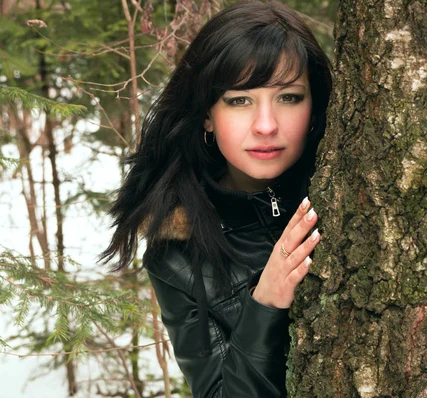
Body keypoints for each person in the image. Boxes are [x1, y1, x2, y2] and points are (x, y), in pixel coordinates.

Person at [101, 1, 332, 397]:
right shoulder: (177, 256)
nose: (266, 126)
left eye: (289, 97)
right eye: (239, 100)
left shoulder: (353, 192)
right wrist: (266, 302)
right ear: (207, 114)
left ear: (314, 107)